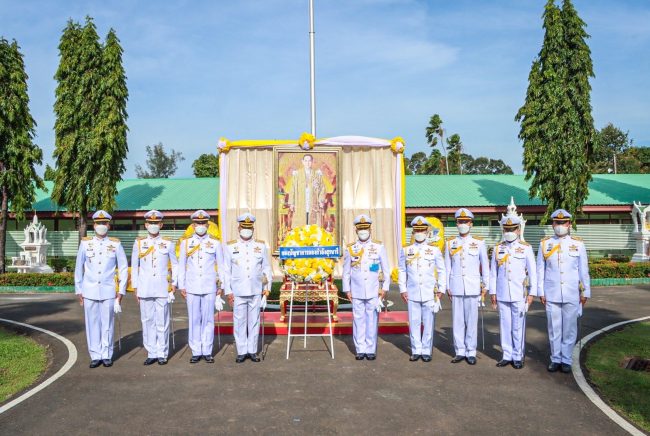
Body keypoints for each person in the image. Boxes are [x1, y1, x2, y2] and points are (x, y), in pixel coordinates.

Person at [537, 209, 590, 373]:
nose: (560, 226)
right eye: (557, 223)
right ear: (553, 224)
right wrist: (541, 291)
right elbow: (540, 270)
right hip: (551, 293)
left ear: (569, 224)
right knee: (554, 329)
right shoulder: (545, 244)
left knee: (569, 329)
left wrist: (586, 291)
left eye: (563, 223)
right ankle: (555, 358)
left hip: (571, 293)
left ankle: (566, 360)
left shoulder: (578, 244)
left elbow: (583, 270)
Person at [74, 210, 128, 368]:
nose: (101, 226)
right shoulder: (85, 244)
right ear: (94, 225)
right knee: (92, 323)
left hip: (108, 290)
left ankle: (107, 354)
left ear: (108, 225)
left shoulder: (115, 244)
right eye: (99, 223)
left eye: (104, 223)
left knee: (107, 323)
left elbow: (123, 267)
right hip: (89, 290)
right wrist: (79, 290)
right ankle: (95, 355)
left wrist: (121, 290)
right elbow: (79, 268)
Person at [222, 213, 272, 363]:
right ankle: (242, 351)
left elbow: (267, 268)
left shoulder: (261, 246)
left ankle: (252, 350)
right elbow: (226, 270)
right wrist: (228, 291)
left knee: (254, 321)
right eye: (244, 227)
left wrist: (267, 288)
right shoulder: (231, 246)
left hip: (256, 289)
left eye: (249, 228)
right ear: (239, 228)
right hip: (238, 290)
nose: (246, 230)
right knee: (239, 321)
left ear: (253, 229)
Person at [131, 210, 178, 366]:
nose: (153, 226)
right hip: (145, 288)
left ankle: (162, 352)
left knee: (162, 321)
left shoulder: (168, 243)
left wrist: (174, 284)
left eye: (156, 223)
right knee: (147, 320)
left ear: (161, 224)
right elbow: (134, 266)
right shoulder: (139, 243)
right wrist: (135, 287)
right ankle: (151, 352)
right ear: (145, 225)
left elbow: (175, 265)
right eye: (150, 223)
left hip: (162, 288)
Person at [489, 216, 537, 369]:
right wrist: (493, 292)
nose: (509, 232)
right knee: (505, 325)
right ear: (503, 230)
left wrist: (531, 293)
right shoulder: (498, 248)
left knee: (518, 326)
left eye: (512, 229)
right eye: (507, 229)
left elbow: (533, 272)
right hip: (502, 293)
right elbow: (493, 273)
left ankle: (518, 355)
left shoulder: (525, 248)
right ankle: (506, 355)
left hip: (519, 293)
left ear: (518, 230)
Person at [342, 215, 390, 360]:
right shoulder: (351, 248)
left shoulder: (378, 247)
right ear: (356, 230)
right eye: (360, 228)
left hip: (373, 290)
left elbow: (386, 270)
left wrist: (385, 288)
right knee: (358, 320)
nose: (363, 231)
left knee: (372, 319)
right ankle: (360, 349)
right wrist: (347, 290)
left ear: (370, 229)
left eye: (365, 228)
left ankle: (370, 349)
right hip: (356, 290)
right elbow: (346, 272)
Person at [178, 210, 223, 364]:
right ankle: (196, 351)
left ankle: (207, 350)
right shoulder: (186, 242)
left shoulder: (216, 243)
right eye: (198, 223)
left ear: (207, 225)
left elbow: (221, 266)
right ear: (193, 224)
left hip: (210, 286)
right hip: (191, 286)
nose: (201, 226)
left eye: (203, 223)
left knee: (208, 319)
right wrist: (181, 285)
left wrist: (221, 285)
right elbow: (181, 265)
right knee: (194, 319)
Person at [398, 216, 446, 362]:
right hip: (412, 292)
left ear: (427, 232)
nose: (419, 233)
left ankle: (426, 350)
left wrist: (441, 288)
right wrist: (402, 289)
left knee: (428, 322)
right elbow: (402, 270)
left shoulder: (434, 250)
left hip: (429, 292)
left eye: (422, 230)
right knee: (414, 322)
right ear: (413, 232)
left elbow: (442, 270)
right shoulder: (406, 250)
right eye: (416, 230)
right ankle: (415, 350)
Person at [445, 208, 489, 365]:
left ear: (471, 224)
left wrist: (486, 284)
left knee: (471, 321)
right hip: (456, 286)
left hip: (473, 287)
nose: (462, 224)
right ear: (456, 223)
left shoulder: (479, 242)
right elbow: (447, 266)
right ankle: (459, 351)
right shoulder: (450, 242)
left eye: (465, 222)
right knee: (457, 321)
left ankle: (471, 351)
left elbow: (485, 265)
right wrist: (447, 286)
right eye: (460, 222)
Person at [287, 154, 326, 227]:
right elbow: (292, 189)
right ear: (303, 162)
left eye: (309, 161)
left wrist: (321, 200)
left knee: (312, 224)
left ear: (312, 162)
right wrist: (292, 203)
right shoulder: (297, 174)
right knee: (300, 224)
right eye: (306, 161)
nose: (307, 163)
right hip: (300, 202)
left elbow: (322, 188)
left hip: (313, 201)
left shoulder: (317, 174)